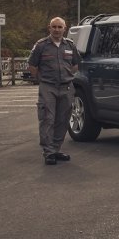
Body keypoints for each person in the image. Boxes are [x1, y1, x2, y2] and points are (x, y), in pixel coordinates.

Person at [28, 17, 80, 165]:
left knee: (63, 120)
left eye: (59, 27)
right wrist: (42, 80)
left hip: (66, 87)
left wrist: (66, 76)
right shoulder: (41, 45)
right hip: (48, 87)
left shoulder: (70, 45)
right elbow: (32, 66)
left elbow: (75, 65)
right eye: (54, 27)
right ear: (49, 28)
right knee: (47, 119)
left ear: (65, 28)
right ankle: (48, 152)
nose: (57, 30)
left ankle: (56, 149)